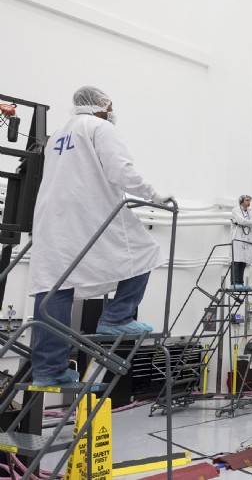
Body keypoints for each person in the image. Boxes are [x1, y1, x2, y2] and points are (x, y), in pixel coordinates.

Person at [27, 86, 173, 386]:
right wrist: (153, 195)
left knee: (55, 284)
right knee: (146, 250)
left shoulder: (57, 134)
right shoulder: (99, 127)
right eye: (110, 105)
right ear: (100, 105)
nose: (112, 110)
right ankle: (117, 317)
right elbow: (121, 170)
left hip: (50, 217)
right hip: (88, 210)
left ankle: (48, 370)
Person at [230, 195, 252, 290]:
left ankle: (240, 283)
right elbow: (241, 221)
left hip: (246, 240)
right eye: (247, 200)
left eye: (250, 200)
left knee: (243, 262)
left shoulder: (249, 212)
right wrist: (250, 221)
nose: (249, 202)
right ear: (241, 201)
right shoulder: (236, 210)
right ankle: (234, 282)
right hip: (237, 239)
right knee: (236, 260)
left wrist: (248, 222)